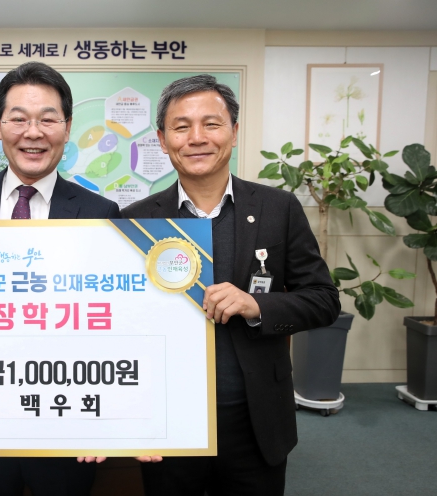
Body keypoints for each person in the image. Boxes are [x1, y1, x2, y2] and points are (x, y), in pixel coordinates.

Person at [122, 74, 340, 496]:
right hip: (169, 421)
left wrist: (257, 306)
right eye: (181, 127)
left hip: (254, 418)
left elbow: (323, 300)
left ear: (234, 133)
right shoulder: (136, 220)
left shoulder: (278, 208)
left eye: (212, 124)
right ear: (162, 140)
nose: (197, 138)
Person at [0, 61, 120, 496]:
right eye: (19, 119)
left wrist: (105, 418)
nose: (33, 133)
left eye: (48, 119)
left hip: (66, 416)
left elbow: (112, 323)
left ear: (67, 128)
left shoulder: (101, 213)